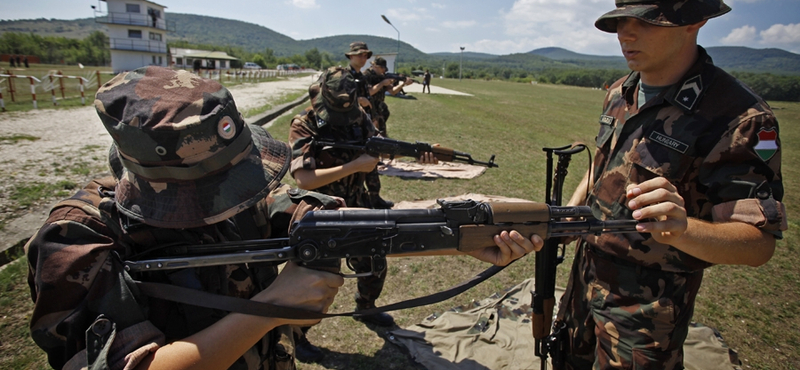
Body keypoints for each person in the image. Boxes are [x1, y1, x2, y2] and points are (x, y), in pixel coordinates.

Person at [495, 1, 787, 368]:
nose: (625, 34)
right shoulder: (622, 91)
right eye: (621, 21)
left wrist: (682, 230)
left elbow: (758, 245)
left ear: (694, 21)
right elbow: (605, 165)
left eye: (646, 22)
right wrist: (570, 214)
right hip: (583, 284)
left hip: (645, 312)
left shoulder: (739, 118)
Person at [25, 66, 346, 370]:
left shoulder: (236, 200)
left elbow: (287, 207)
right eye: (219, 185)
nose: (233, 195)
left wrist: (378, 223)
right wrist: (273, 305)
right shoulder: (76, 238)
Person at [286, 66, 437, 362]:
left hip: (357, 204)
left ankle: (365, 307)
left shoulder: (360, 117)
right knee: (314, 280)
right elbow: (304, 179)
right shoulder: (304, 123)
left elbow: (378, 144)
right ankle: (297, 335)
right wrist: (355, 166)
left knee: (373, 263)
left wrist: (419, 153)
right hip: (320, 210)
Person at [343, 41, 394, 210]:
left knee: (372, 161)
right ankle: (357, 200)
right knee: (354, 166)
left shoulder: (361, 77)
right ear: (350, 56)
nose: (363, 57)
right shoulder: (343, 76)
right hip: (348, 128)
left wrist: (373, 120)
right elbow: (333, 99)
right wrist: (357, 100)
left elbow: (369, 98)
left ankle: (374, 197)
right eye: (359, 54)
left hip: (364, 125)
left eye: (365, 55)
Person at [363, 56, 412, 138]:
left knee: (382, 135)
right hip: (368, 109)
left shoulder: (381, 76)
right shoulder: (366, 75)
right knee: (370, 136)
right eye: (382, 68)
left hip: (379, 109)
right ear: (375, 66)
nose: (384, 71)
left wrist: (403, 84)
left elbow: (393, 91)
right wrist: (382, 83)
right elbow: (369, 92)